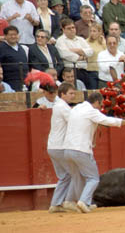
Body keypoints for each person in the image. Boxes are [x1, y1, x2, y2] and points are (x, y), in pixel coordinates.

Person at [63, 92, 125, 213]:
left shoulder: (76, 108)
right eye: (100, 105)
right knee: (93, 178)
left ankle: (69, 201)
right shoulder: (91, 111)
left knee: (77, 177)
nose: (100, 107)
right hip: (81, 149)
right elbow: (108, 121)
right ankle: (83, 201)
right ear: (96, 102)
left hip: (67, 149)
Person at [47, 82, 75, 213]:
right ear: (62, 94)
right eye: (70, 93)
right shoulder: (62, 107)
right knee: (74, 173)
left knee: (65, 176)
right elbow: (75, 121)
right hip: (60, 147)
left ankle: (55, 204)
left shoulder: (59, 105)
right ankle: (71, 201)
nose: (73, 96)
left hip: (53, 146)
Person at [56, 18, 94, 89]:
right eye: (69, 28)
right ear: (63, 30)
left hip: (84, 70)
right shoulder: (60, 41)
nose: (72, 30)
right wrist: (82, 56)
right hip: (70, 72)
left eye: (73, 27)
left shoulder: (81, 39)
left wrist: (77, 50)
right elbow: (65, 54)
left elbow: (90, 51)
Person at [0, 26, 28, 91]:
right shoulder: (1, 48)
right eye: (10, 35)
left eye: (15, 35)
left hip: (24, 81)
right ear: (5, 36)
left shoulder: (21, 48)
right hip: (10, 82)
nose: (13, 37)